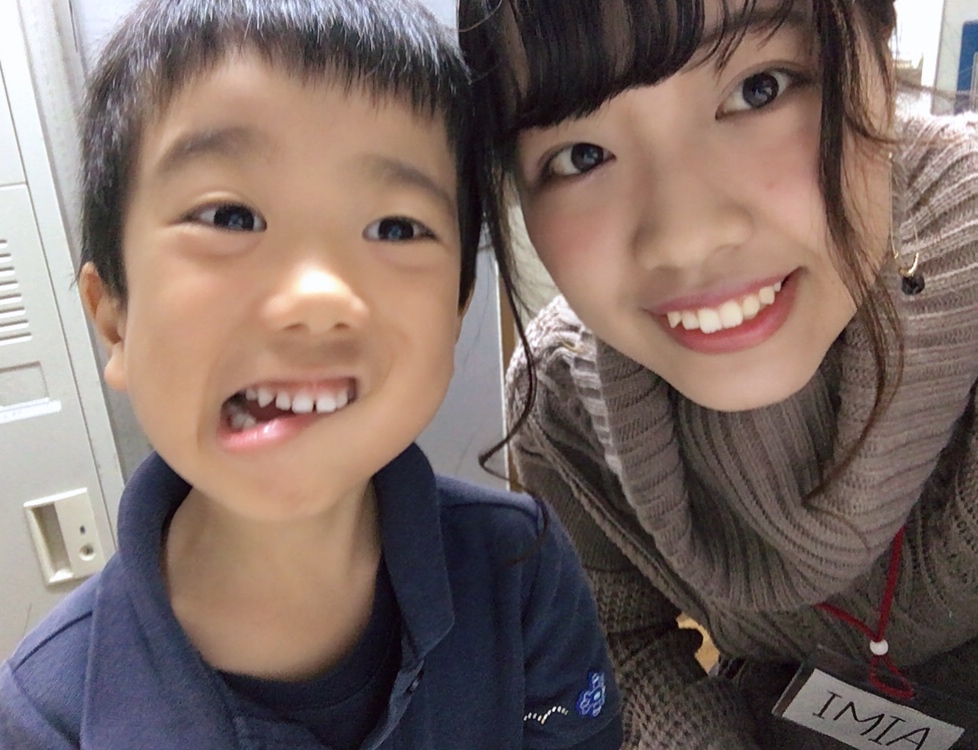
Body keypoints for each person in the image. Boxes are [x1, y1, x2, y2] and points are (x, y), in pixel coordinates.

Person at [0, 1, 625, 747]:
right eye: (229, 217)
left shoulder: (521, 569)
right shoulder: (45, 716)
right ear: (114, 319)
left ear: (455, 311)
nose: (317, 297)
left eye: (395, 227)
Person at [458, 0, 978, 747]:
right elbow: (617, 638)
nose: (686, 237)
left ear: (879, 40)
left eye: (760, 89)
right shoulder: (562, 404)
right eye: (581, 155)